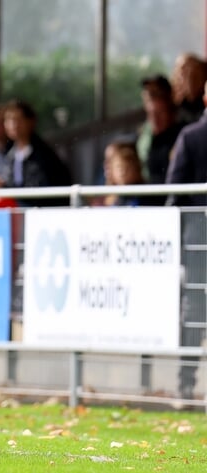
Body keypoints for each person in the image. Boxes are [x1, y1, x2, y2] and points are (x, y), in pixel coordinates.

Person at [164, 79, 207, 401]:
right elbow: (174, 192)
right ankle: (186, 382)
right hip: (197, 239)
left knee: (193, 311)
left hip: (197, 238)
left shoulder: (189, 136)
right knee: (193, 310)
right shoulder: (190, 136)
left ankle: (186, 383)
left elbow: (174, 192)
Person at [0, 100, 72, 207]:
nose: (13, 125)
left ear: (30, 122)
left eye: (18, 119)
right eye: (9, 120)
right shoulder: (8, 154)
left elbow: (40, 191)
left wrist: (4, 187)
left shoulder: (43, 156)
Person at [99, 141, 145, 207]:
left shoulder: (144, 195)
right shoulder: (111, 198)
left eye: (126, 167)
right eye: (119, 167)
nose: (123, 172)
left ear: (136, 168)